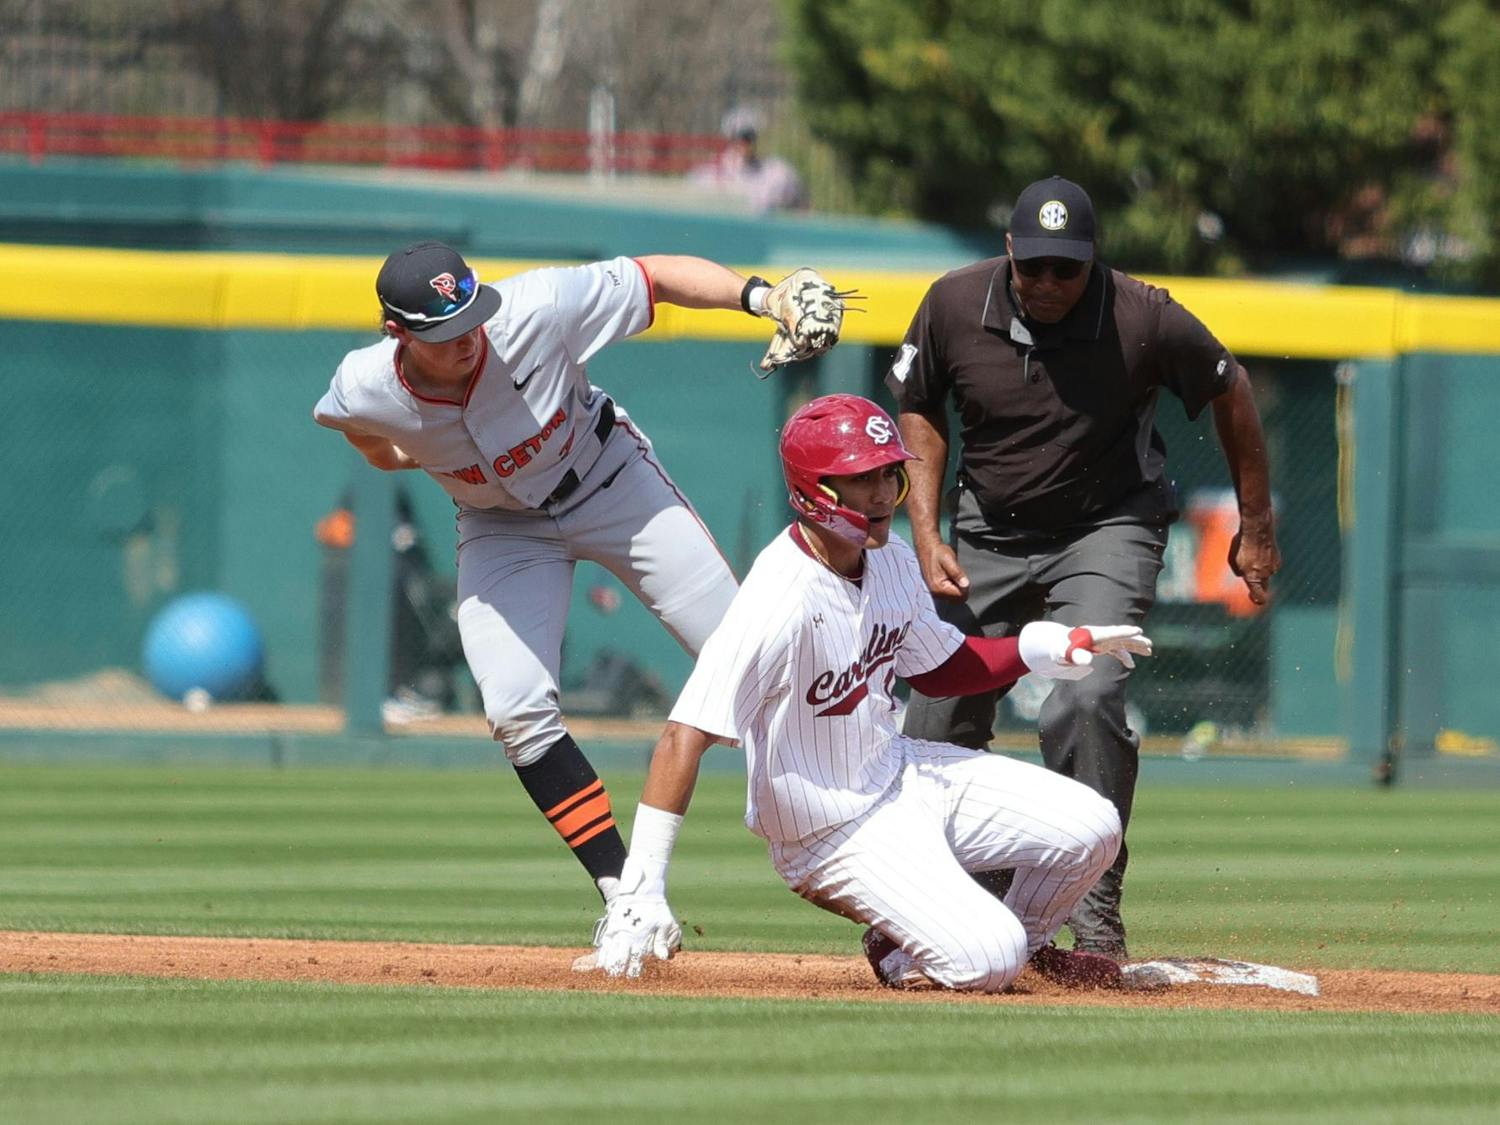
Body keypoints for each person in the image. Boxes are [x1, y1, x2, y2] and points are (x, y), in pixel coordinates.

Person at [313, 241, 845, 906]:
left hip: (610, 481)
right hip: (500, 528)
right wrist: (400, 453)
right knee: (515, 709)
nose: (468, 337)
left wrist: (759, 298)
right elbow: (356, 426)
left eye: (472, 314)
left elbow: (655, 277)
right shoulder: (365, 383)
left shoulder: (534, 308)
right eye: (445, 333)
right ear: (399, 333)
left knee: (757, 661)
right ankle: (627, 896)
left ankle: (876, 821)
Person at [584, 395, 1153, 992]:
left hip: (901, 773)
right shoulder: (780, 597)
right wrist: (640, 888)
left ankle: (1023, 943)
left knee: (1094, 826)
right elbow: (684, 734)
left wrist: (1039, 649)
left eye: (888, 472)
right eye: (862, 477)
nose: (883, 492)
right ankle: (911, 951)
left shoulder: (892, 560)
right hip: (827, 832)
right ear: (815, 487)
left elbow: (940, 667)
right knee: (988, 960)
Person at [888, 175, 1282, 960]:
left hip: (1106, 526)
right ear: (1009, 252)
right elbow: (918, 405)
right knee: (937, 709)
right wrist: (925, 531)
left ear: (1091, 261)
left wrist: (1257, 523)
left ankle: (1093, 905)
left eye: (1065, 268)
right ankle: (962, 896)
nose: (1048, 283)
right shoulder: (954, 305)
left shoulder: (1142, 314)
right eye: (1034, 266)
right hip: (989, 532)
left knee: (1086, 692)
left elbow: (1229, 387)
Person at [689, 107, 807, 215]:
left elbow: (804, 212)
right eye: (738, 136)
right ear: (729, 138)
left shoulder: (779, 173)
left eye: (748, 136)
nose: (743, 142)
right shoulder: (707, 177)